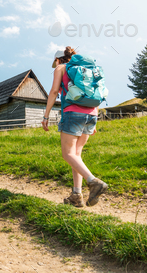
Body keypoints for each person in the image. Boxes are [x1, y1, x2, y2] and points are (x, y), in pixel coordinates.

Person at [41, 46, 108, 208]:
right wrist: (95, 119)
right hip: (92, 114)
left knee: (68, 154)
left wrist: (46, 115)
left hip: (72, 113)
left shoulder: (61, 68)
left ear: (58, 59)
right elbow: (96, 92)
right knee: (76, 155)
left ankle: (93, 182)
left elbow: (54, 91)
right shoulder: (87, 69)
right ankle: (76, 195)